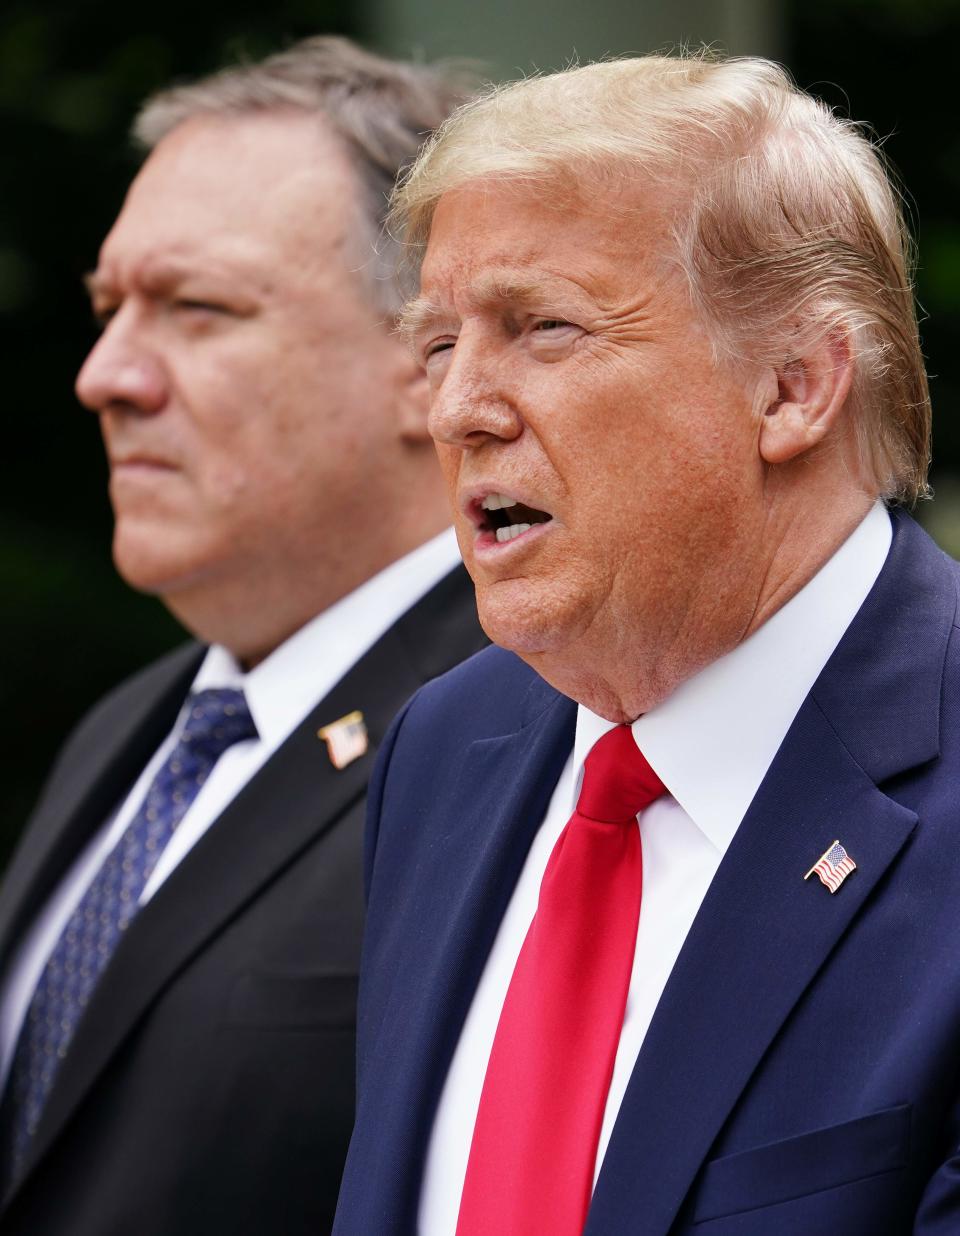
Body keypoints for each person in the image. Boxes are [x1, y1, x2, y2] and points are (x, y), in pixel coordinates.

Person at [334, 53, 960, 1236]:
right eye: (437, 346)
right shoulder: (444, 746)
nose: (458, 407)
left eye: (543, 328)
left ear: (793, 385)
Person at [0, 36, 485, 1236]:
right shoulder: (139, 727)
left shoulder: (525, 729)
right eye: (110, 308)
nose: (105, 375)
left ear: (430, 361)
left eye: (196, 310)